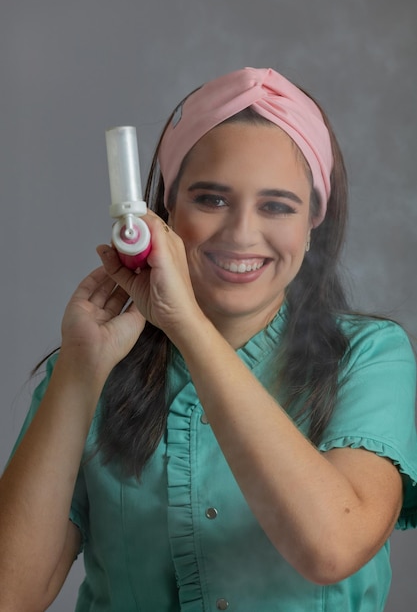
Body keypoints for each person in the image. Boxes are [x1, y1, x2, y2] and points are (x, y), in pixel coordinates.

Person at [1, 67, 417, 612]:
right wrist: (79, 371)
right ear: (166, 205)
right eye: (212, 200)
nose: (242, 233)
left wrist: (188, 327)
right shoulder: (91, 365)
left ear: (314, 216)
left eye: (276, 206)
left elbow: (332, 548)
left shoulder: (369, 357)